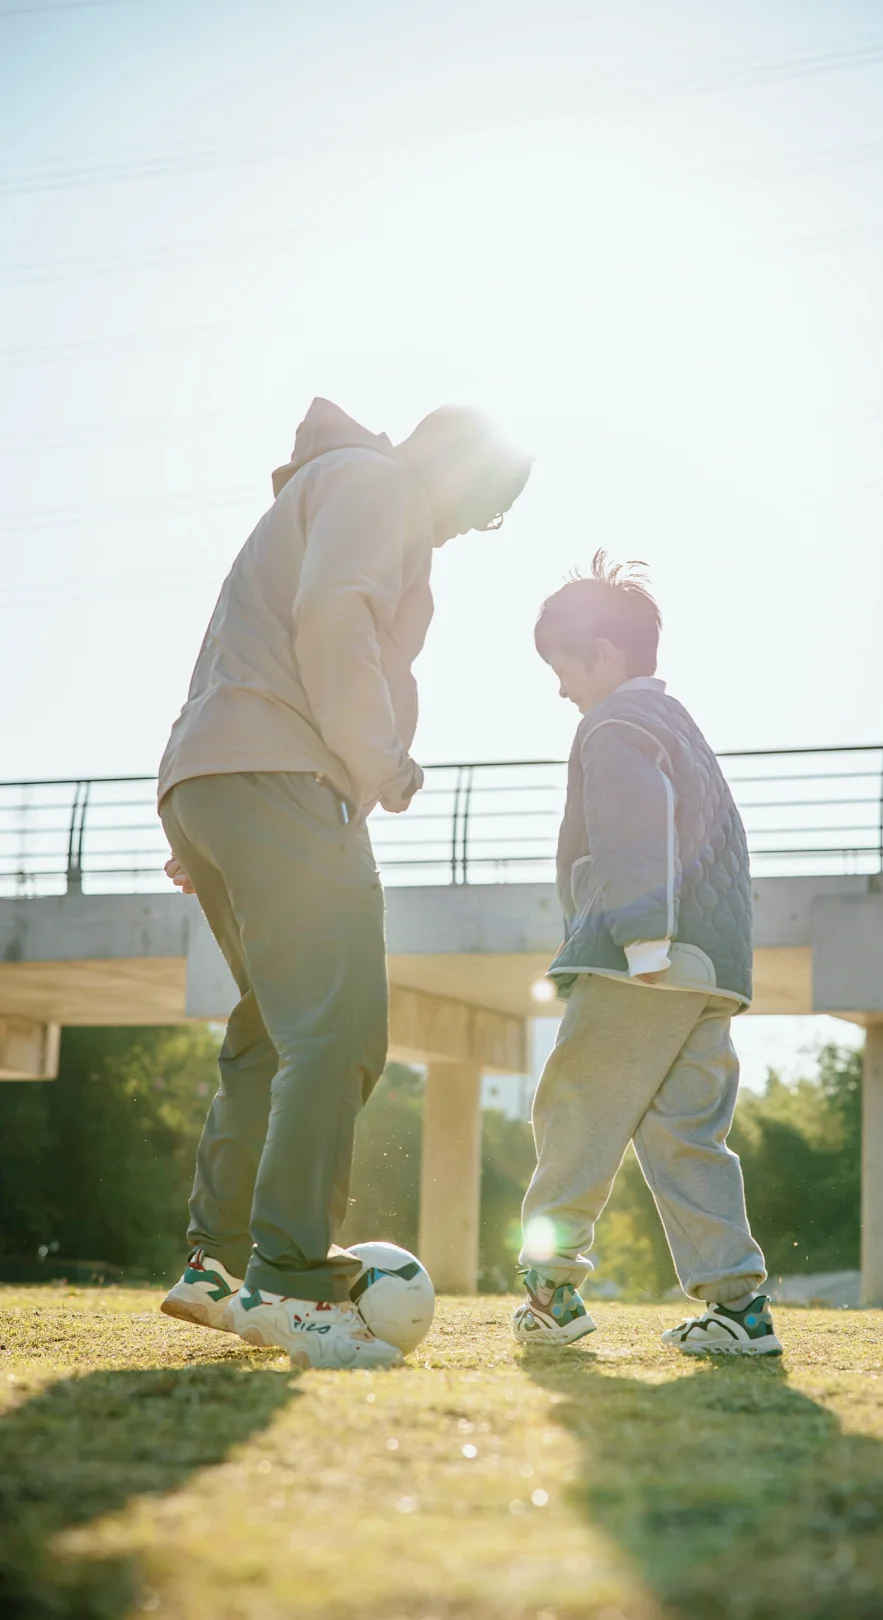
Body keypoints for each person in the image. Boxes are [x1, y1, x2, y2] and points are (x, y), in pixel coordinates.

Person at [157, 397, 530, 1370]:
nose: (458, 530)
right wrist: (381, 761)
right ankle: (283, 1284)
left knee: (272, 1031)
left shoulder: (322, 487)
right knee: (340, 1031)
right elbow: (335, 619)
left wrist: (207, 807)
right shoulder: (380, 488)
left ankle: (217, 1266)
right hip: (280, 777)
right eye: (479, 509)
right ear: (458, 475)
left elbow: (238, 645)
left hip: (211, 779)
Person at [512, 553, 781, 1356]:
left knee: (577, 1112)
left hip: (643, 959)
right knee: (685, 1135)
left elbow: (636, 825)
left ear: (603, 653)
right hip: (710, 969)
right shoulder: (681, 726)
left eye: (563, 667)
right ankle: (739, 1309)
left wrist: (640, 938)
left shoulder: (615, 725)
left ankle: (550, 1293)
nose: (560, 687)